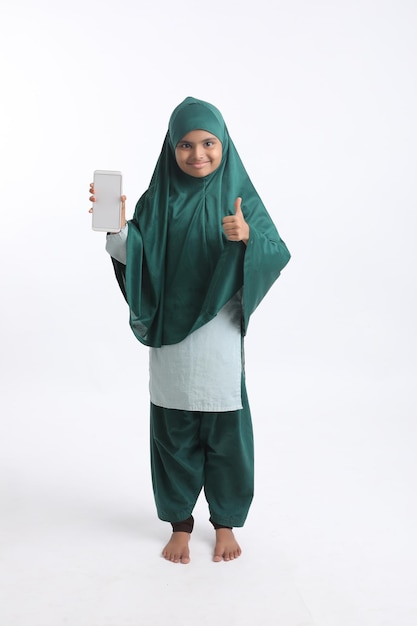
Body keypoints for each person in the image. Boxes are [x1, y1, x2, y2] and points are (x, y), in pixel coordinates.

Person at [89, 96, 290, 564]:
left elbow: (276, 250)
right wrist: (115, 226)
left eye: (208, 143)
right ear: (170, 148)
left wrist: (247, 239)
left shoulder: (240, 196)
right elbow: (134, 252)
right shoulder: (157, 200)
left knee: (225, 434)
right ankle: (180, 523)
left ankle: (225, 523)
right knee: (173, 430)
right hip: (172, 342)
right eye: (184, 144)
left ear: (224, 145)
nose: (197, 154)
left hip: (219, 340)